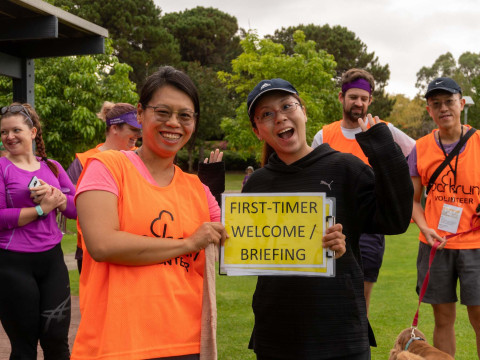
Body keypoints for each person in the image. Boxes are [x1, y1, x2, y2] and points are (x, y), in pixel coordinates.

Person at [243, 78, 413, 359]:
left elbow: (395, 219)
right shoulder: (256, 185)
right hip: (276, 335)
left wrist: (383, 150)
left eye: (287, 106)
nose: (280, 117)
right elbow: (245, 249)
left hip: (341, 333)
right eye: (267, 114)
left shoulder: (346, 168)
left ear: (304, 112)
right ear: (257, 130)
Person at [71, 66, 227, 360]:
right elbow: (103, 245)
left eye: (185, 115)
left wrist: (315, 243)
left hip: (185, 344)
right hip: (115, 345)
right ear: (140, 114)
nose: (174, 123)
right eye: (163, 112)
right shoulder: (106, 168)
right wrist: (187, 243)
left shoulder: (198, 190)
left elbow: (240, 247)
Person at [311, 68, 415, 315]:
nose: (358, 102)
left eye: (364, 98)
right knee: (325, 292)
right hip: (330, 225)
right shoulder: (324, 134)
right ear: (341, 97)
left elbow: (418, 153)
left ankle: (358, 347)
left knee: (360, 297)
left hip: (370, 226)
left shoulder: (382, 131)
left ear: (370, 101)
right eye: (353, 96)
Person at [408, 77, 480, 358]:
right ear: (429, 110)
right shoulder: (421, 148)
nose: (443, 108)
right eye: (436, 104)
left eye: (449, 101)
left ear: (461, 104)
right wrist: (425, 228)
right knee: (443, 319)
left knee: (478, 317)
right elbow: (413, 200)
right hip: (435, 245)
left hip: (475, 244)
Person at [0, 103, 77, 359]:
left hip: (52, 262)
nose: (9, 137)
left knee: (56, 342)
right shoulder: (1, 168)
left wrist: (58, 198)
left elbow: (76, 208)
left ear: (33, 132)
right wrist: (42, 210)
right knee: (24, 348)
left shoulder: (52, 167)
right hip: (13, 264)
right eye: (4, 132)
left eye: (16, 130)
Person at [67, 102, 142, 273]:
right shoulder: (84, 161)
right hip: (92, 249)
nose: (138, 135)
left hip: (135, 244)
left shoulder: (141, 156)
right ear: (115, 128)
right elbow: (70, 203)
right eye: (133, 129)